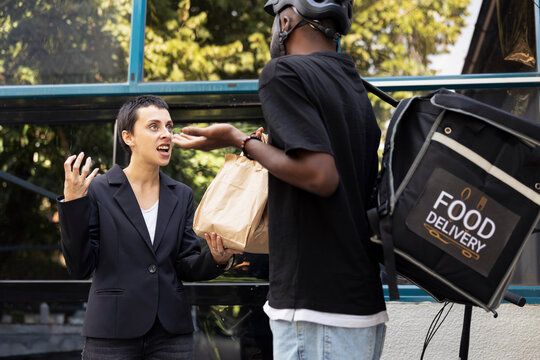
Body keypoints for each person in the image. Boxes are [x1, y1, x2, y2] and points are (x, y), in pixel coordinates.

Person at [172, 1, 388, 359]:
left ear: (286, 21)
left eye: (275, 21)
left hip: (315, 311)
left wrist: (237, 139)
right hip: (360, 304)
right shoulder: (352, 86)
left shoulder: (283, 72)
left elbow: (321, 176)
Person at [58, 95, 241, 360]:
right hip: (112, 332)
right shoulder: (98, 190)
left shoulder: (181, 195)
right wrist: (73, 205)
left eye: (169, 126)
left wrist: (215, 259)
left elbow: (185, 264)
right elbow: (80, 266)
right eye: (154, 127)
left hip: (171, 335)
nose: (166, 134)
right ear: (128, 137)